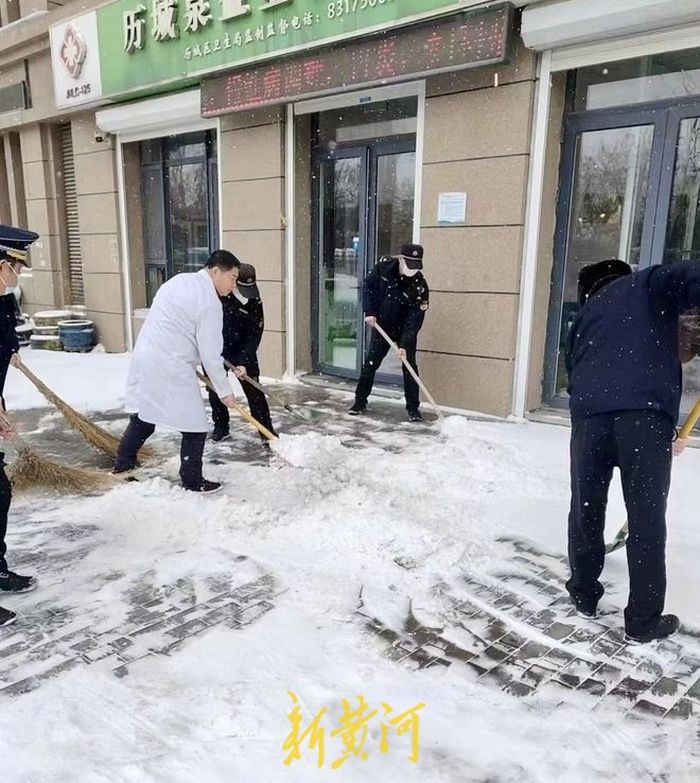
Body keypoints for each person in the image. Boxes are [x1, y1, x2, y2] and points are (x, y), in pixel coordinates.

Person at [565, 257, 700, 643]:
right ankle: (642, 622)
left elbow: (574, 376)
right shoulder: (648, 284)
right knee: (646, 519)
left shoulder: (586, 315)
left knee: (585, 508)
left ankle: (584, 594)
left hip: (589, 420)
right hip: (642, 417)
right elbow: (692, 276)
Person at [114, 250, 241, 494]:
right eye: (232, 278)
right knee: (195, 426)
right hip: (171, 363)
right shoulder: (210, 302)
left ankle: (123, 463)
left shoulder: (179, 281)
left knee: (145, 414)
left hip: (148, 355)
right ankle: (192, 480)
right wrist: (225, 393)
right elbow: (210, 354)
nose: (234, 286)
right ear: (216, 271)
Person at [349, 243, 430, 422]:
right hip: (383, 325)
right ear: (401, 259)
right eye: (409, 265)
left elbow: (415, 320)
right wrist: (370, 312)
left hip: (405, 330)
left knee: (410, 368)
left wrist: (405, 344)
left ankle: (413, 409)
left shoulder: (420, 286)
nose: (412, 270)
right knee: (371, 363)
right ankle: (359, 401)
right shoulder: (384, 269)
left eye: (416, 266)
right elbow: (368, 287)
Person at [207, 263, 276, 443]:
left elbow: (255, 332)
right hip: (217, 349)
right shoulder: (217, 295)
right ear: (234, 281)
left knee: (254, 390)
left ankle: (266, 432)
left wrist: (244, 361)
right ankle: (221, 427)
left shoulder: (255, 300)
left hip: (243, 349)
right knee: (215, 389)